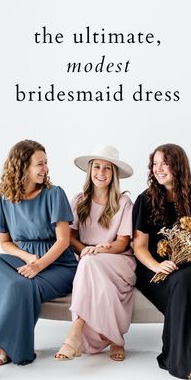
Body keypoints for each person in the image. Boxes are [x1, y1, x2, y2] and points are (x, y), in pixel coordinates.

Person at [0, 139, 77, 379]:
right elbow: (5, 243)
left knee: (17, 285)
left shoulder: (54, 194)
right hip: (27, 258)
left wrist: (39, 265)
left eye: (45, 163)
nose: (44, 169)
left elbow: (63, 241)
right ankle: (3, 345)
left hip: (59, 265)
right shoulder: (4, 198)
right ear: (22, 166)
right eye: (39, 164)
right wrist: (27, 257)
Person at [133, 143, 191, 380]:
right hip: (150, 267)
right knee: (181, 281)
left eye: (164, 163)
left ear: (177, 167)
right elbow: (139, 246)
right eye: (155, 164)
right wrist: (157, 266)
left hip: (180, 263)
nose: (158, 169)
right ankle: (181, 361)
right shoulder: (145, 199)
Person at [55, 145, 136, 361]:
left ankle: (75, 333)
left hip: (117, 260)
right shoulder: (79, 200)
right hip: (86, 258)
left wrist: (99, 250)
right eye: (97, 167)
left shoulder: (123, 202)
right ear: (90, 171)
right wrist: (86, 251)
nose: (101, 173)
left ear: (114, 174)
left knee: (90, 263)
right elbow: (70, 238)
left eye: (107, 168)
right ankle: (116, 339)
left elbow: (122, 242)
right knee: (89, 265)